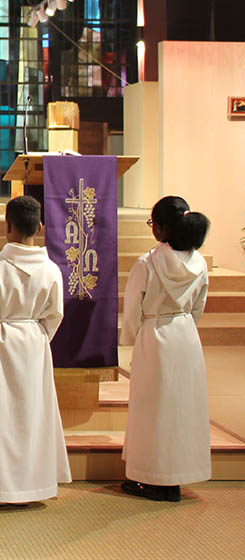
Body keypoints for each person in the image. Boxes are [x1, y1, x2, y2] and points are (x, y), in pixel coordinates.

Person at [0, 195, 71, 505]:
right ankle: (33, 480)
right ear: (39, 227)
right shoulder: (51, 269)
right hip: (33, 341)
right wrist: (37, 336)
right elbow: (55, 314)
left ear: (7, 227)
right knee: (31, 413)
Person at [120, 196, 211, 503]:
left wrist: (131, 337)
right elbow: (199, 305)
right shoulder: (199, 263)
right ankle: (176, 478)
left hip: (155, 335)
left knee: (152, 410)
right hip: (185, 335)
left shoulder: (148, 263)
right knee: (182, 409)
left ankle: (152, 479)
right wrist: (184, 323)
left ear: (159, 228)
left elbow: (132, 309)